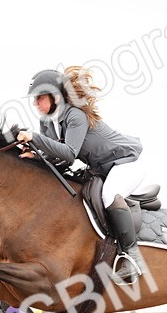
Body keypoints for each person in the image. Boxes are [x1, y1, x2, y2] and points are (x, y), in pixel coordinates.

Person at [16, 66, 151, 285]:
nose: (35, 103)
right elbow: (55, 155)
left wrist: (35, 139)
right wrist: (36, 156)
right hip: (102, 168)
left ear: (56, 97)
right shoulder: (46, 122)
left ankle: (132, 258)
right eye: (35, 99)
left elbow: (69, 154)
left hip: (128, 162)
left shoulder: (75, 115)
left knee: (109, 196)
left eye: (40, 97)